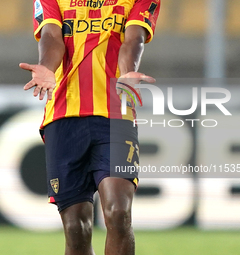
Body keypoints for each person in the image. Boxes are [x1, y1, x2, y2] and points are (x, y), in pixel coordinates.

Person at [20, 0, 160, 254]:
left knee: (118, 212)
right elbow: (51, 35)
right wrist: (47, 67)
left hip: (116, 116)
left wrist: (128, 72)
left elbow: (134, 39)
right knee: (77, 229)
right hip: (64, 117)